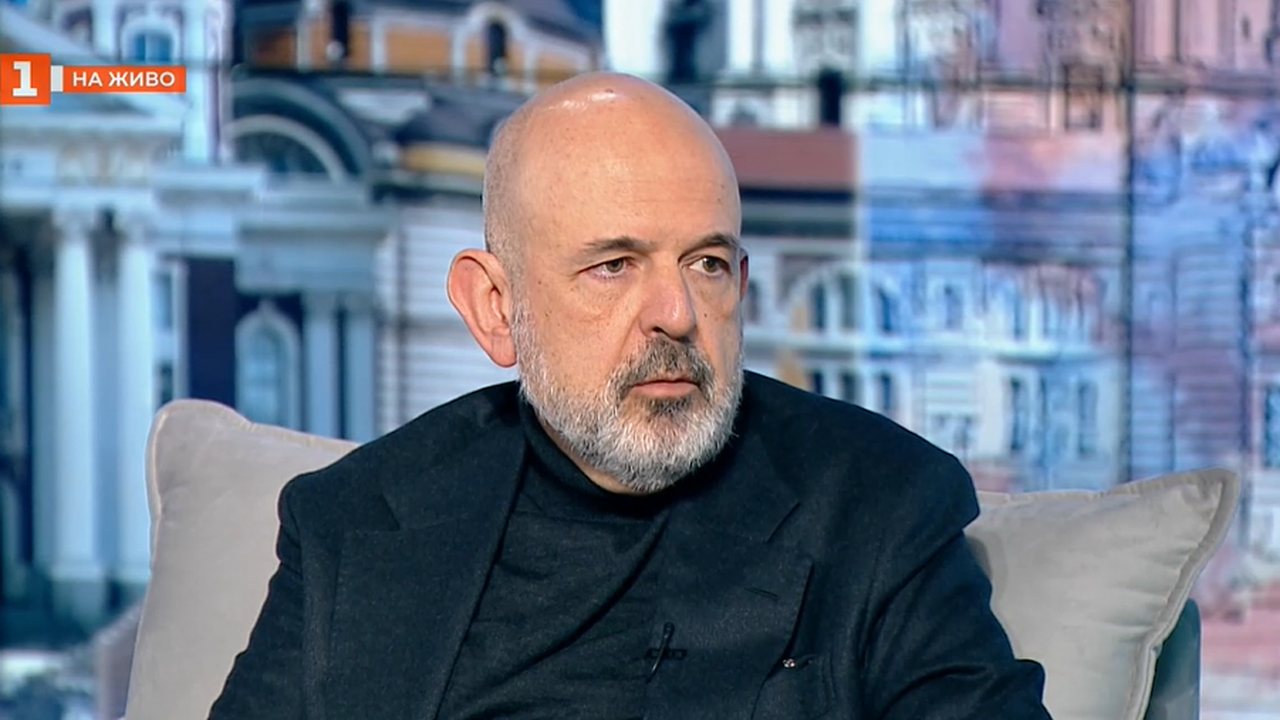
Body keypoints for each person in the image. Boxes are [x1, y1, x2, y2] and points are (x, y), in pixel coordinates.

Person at [209, 72, 1053, 719]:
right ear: (495, 308)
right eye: (614, 266)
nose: (677, 314)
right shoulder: (352, 522)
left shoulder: (879, 506)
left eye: (707, 264)